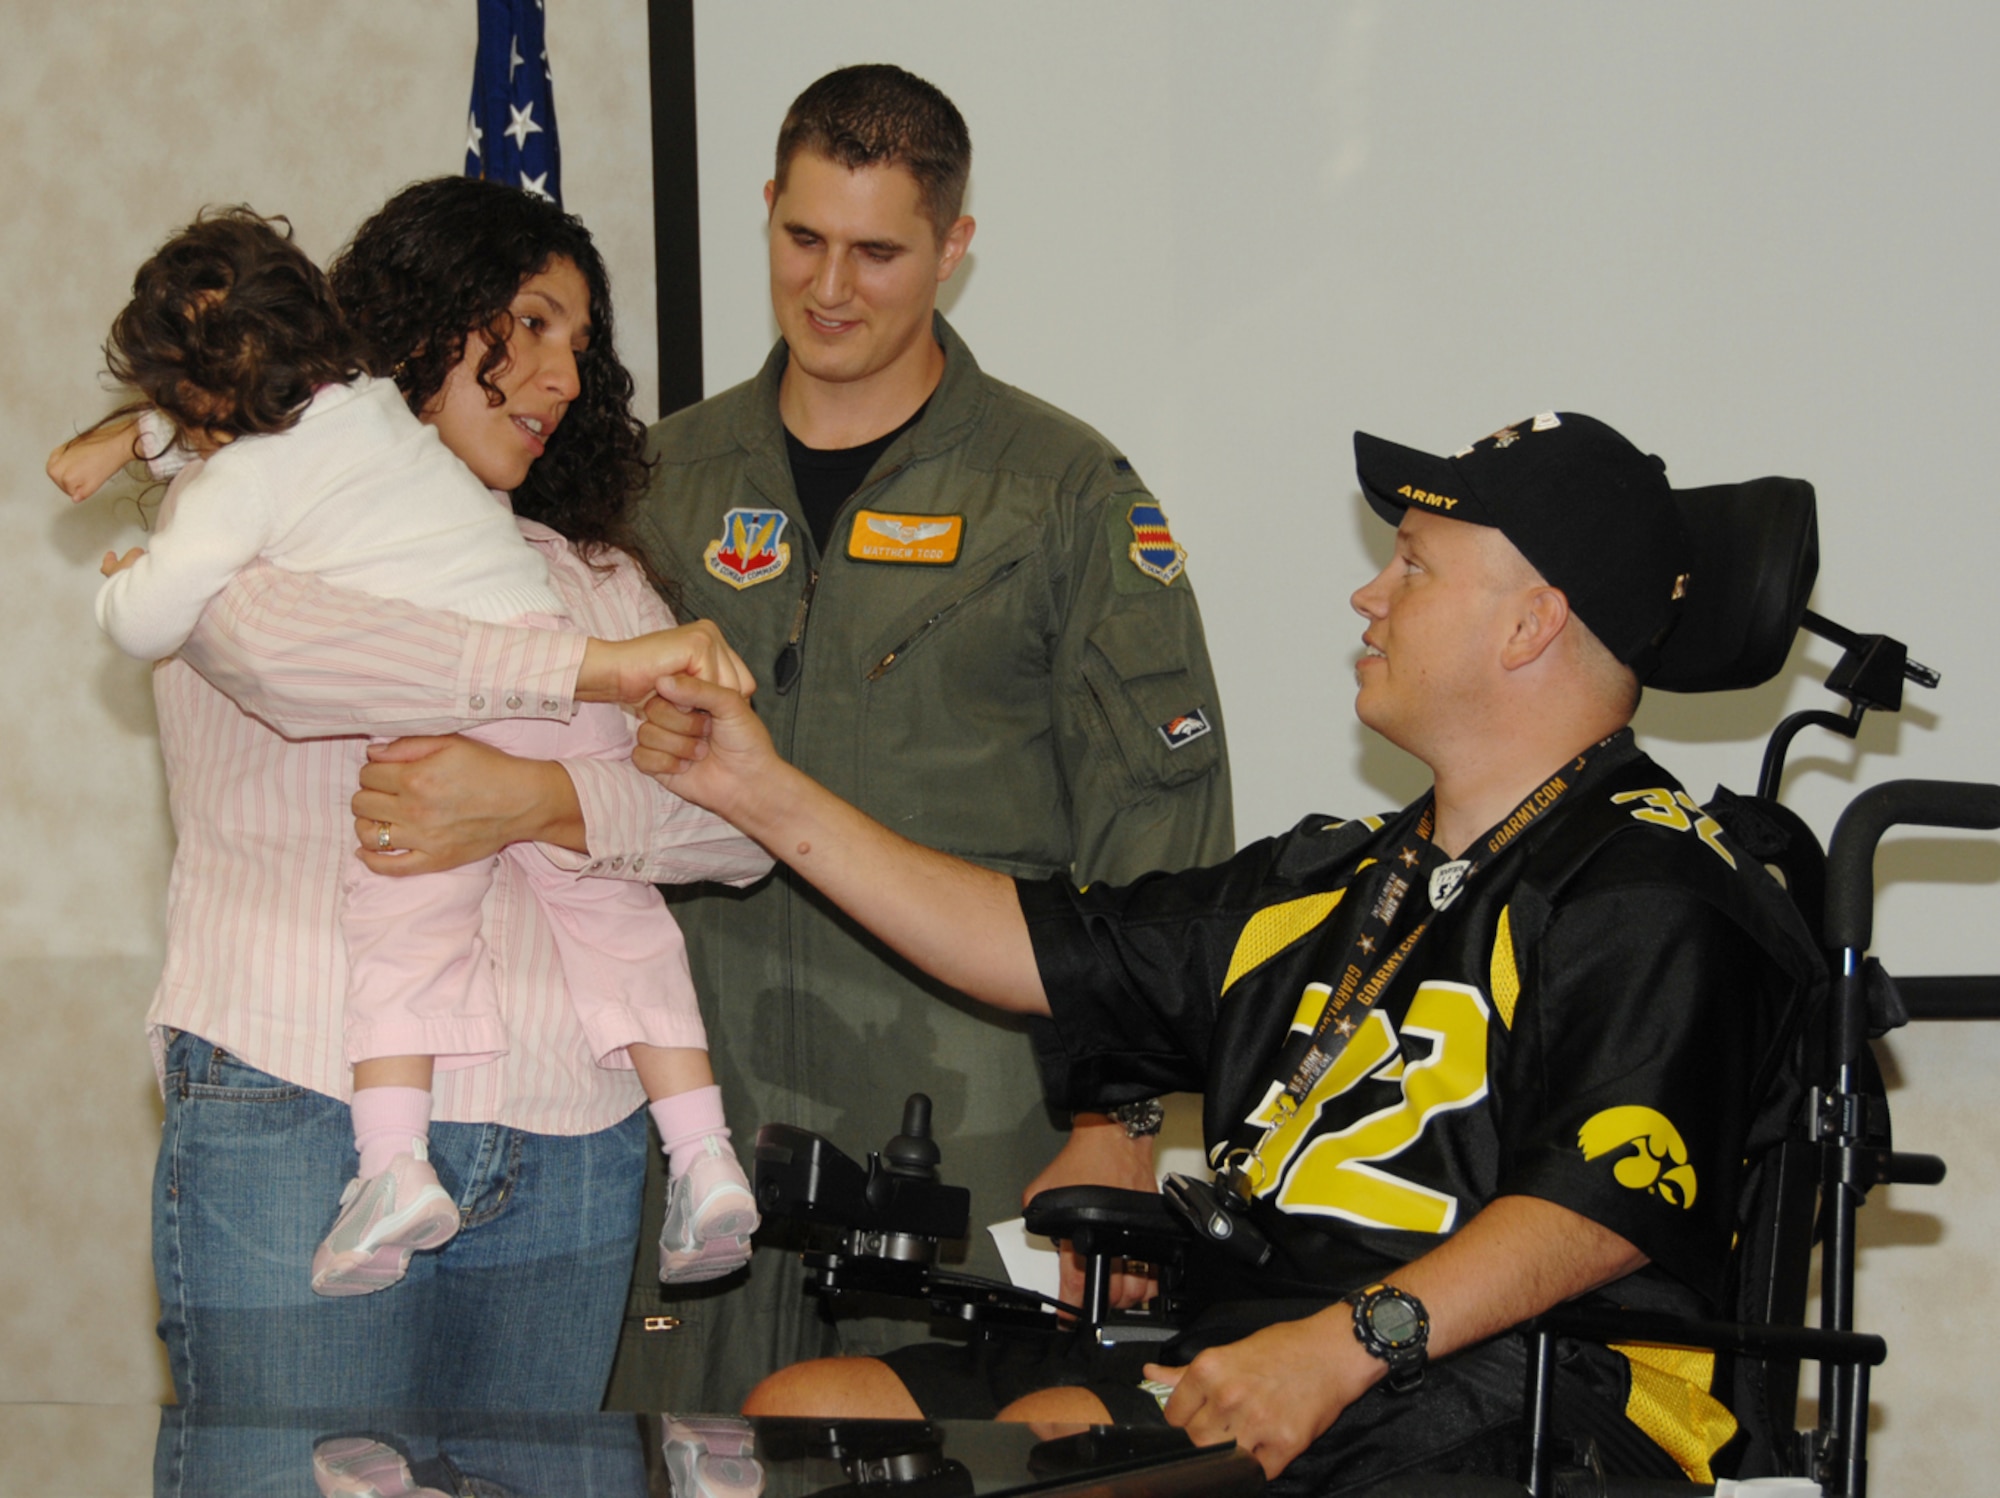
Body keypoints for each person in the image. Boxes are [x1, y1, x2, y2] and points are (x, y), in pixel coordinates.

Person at [630, 412, 1819, 1492]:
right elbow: (1026, 943)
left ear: (1529, 622)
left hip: (1529, 1385)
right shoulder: (1337, 876)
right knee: (802, 1418)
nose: (1368, 594)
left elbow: (1596, 1213)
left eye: (1411, 562)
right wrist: (755, 787)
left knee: (1063, 1452)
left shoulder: (1655, 888)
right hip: (1265, 1337)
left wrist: (1342, 1346)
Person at [51, 177, 773, 1422]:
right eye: (531, 325)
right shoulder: (238, 528)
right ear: (419, 323)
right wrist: (580, 695)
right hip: (300, 1108)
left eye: (581, 348)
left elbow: (735, 824)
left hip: (573, 1137)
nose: (559, 377)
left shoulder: (592, 575)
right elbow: (301, 664)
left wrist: (535, 798)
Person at [592, 62, 1236, 1409]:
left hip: (963, 1132)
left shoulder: (1060, 495)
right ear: (766, 208)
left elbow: (1163, 844)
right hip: (694, 1127)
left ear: (955, 248)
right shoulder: (658, 485)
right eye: (804, 237)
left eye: (880, 252)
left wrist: (1118, 1130)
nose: (832, 288)